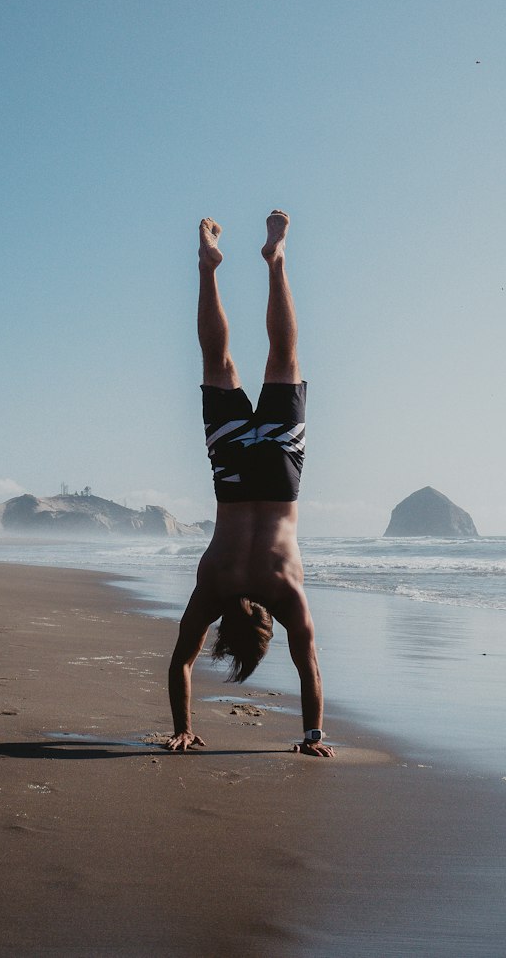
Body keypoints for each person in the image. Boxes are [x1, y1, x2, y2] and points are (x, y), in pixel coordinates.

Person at [165, 211, 334, 758]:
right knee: (217, 361)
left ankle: (276, 261)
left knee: (283, 360)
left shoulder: (285, 590)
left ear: (264, 627)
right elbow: (181, 662)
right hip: (234, 476)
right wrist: (181, 727)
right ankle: (208, 268)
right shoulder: (213, 584)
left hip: (281, 478)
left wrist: (315, 735)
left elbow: (308, 663)